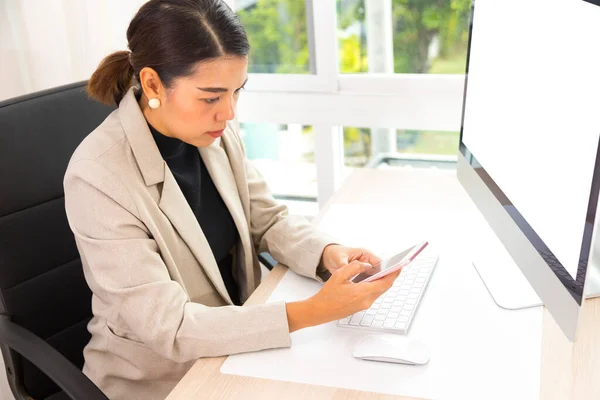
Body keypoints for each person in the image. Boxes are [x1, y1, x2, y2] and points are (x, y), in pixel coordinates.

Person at [63, 0, 400, 399]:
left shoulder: (213, 134)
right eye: (211, 97)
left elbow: (267, 219)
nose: (229, 112)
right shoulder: (98, 175)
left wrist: (327, 252)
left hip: (240, 348)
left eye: (236, 91)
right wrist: (313, 312)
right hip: (164, 381)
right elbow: (170, 327)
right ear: (153, 84)